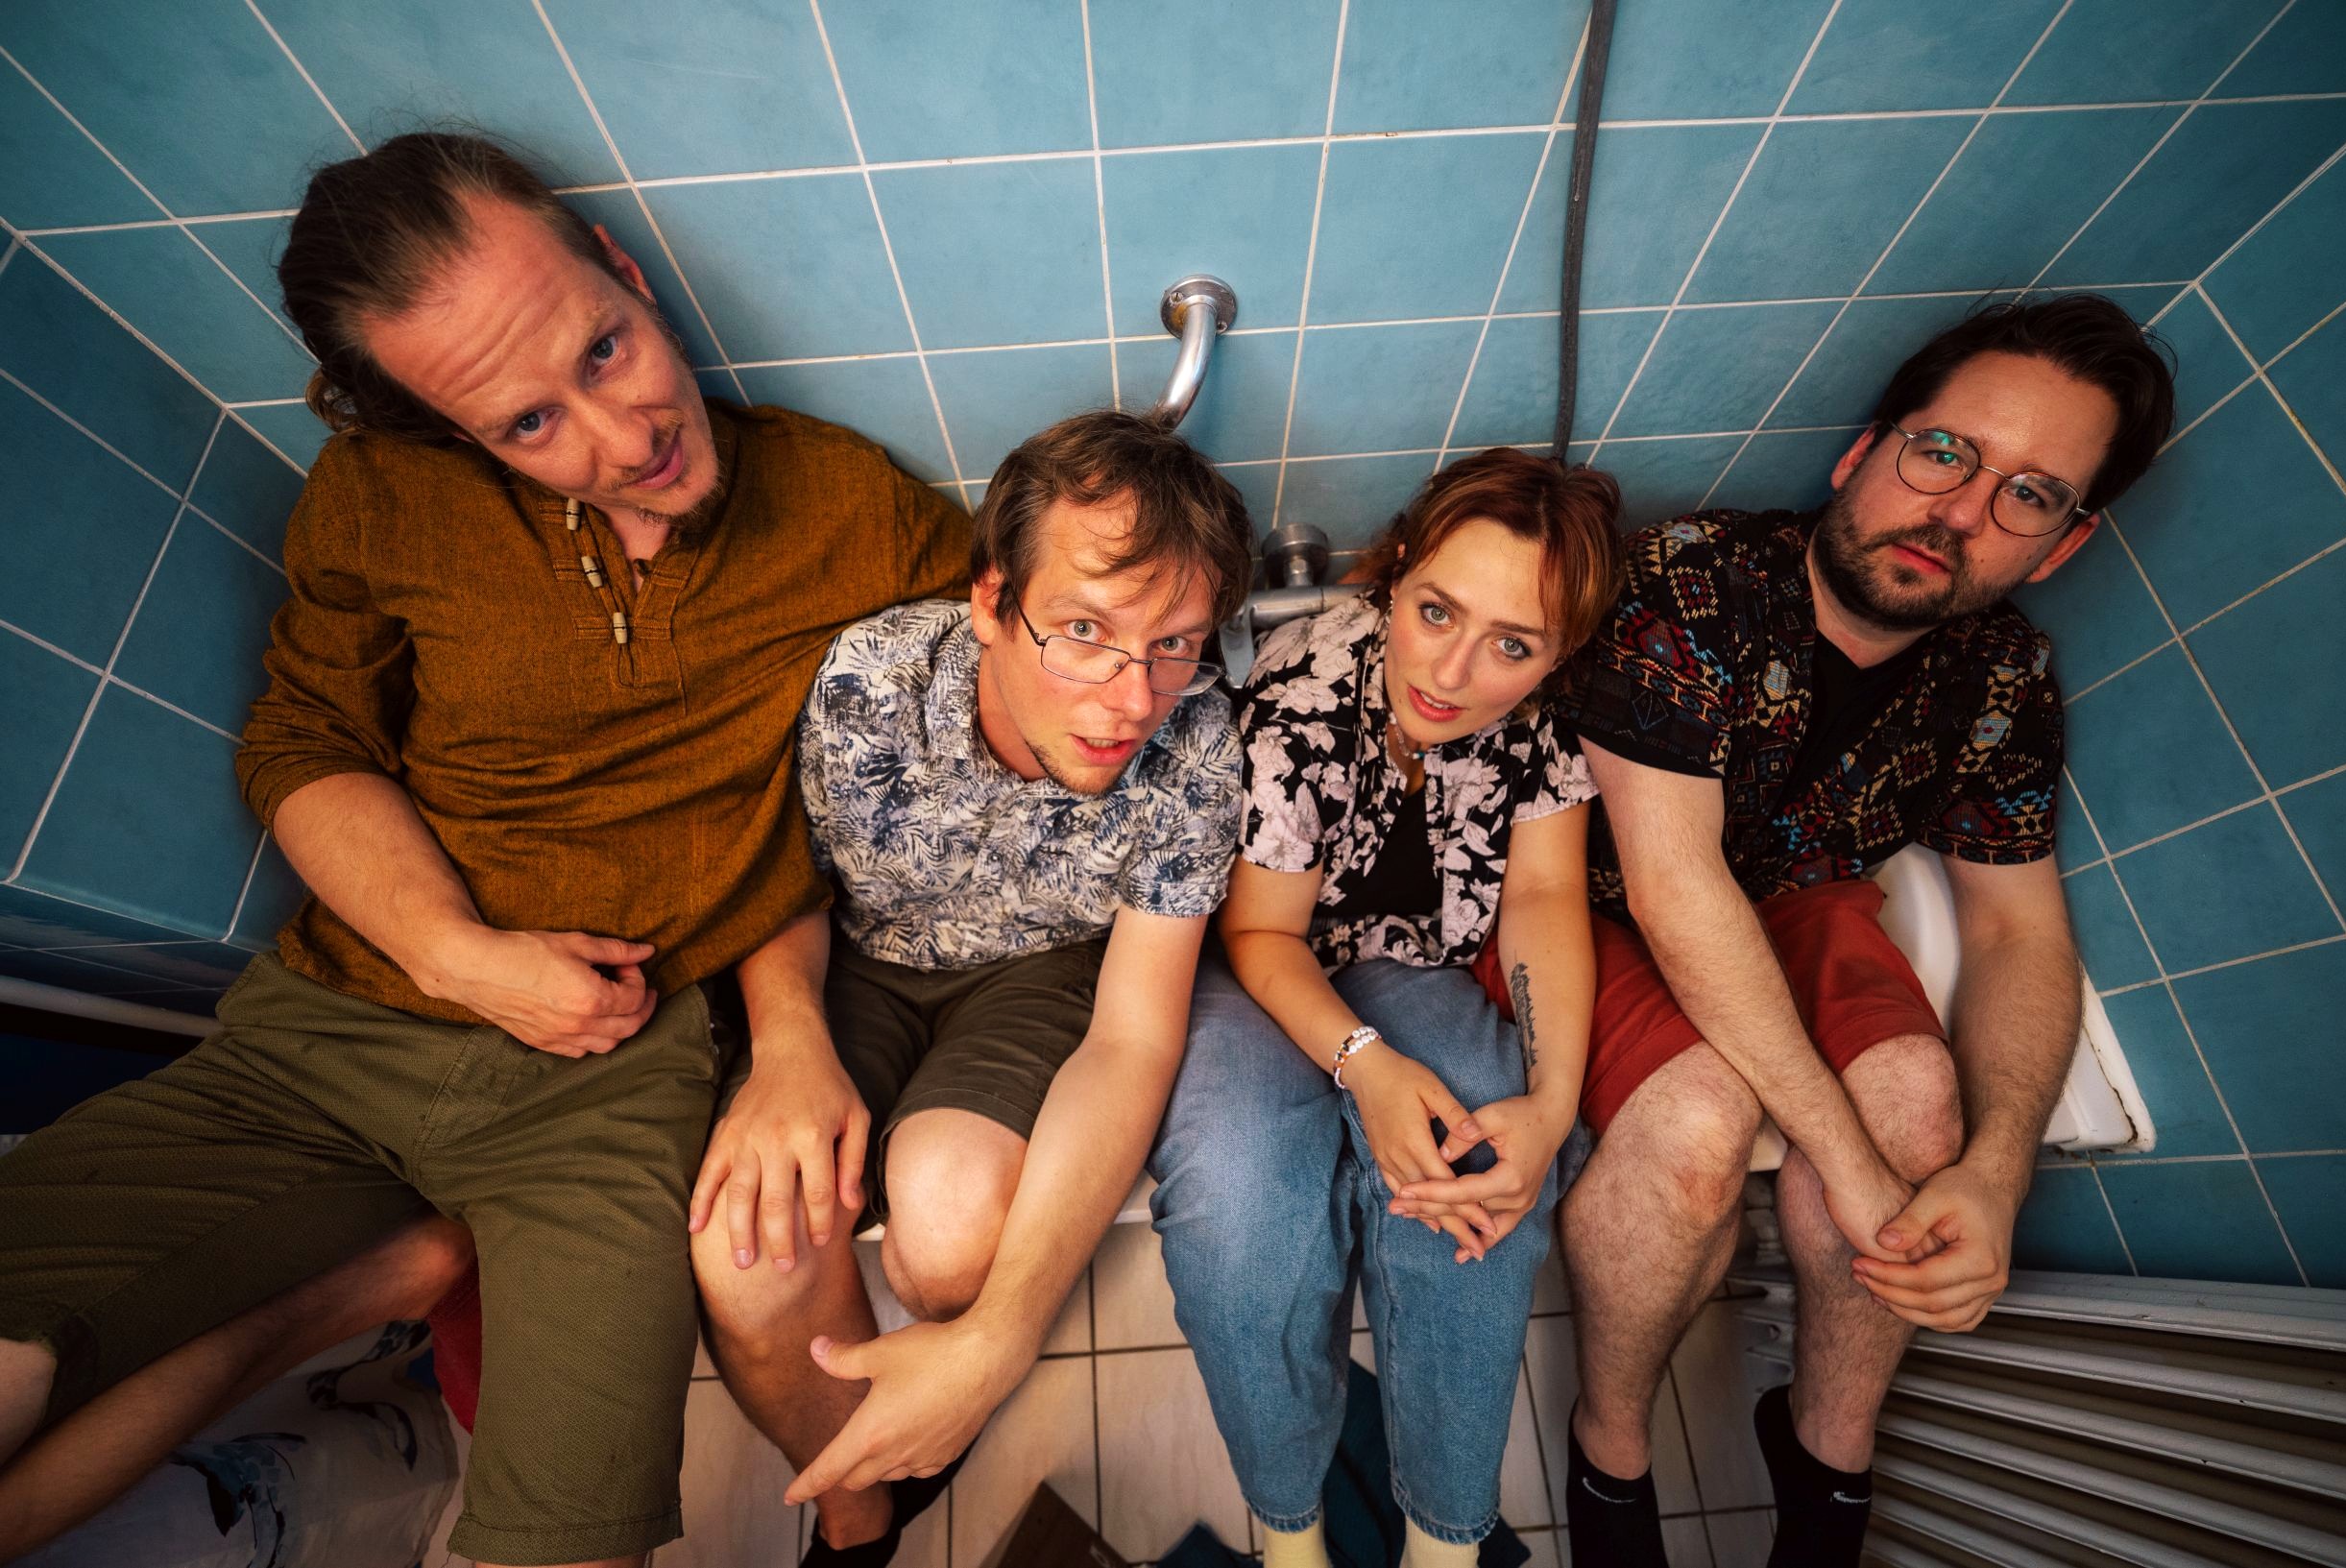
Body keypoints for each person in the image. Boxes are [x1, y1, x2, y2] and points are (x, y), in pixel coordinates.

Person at [0, 131, 970, 1568]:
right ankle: (393, 1264)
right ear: (454, 434)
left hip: (616, 1073)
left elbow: (1010, 679)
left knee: (560, 1538)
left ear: (627, 273)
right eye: (527, 425)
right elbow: (301, 744)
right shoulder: (377, 502)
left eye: (604, 347)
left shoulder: (848, 509)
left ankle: (846, 1515)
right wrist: (458, 955)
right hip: (327, 1033)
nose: (622, 434)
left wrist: (788, 1036)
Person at [1536, 295, 2176, 1568]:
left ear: (2061, 543)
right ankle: (1609, 1449)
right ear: (1861, 454)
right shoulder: (1693, 582)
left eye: (2028, 495)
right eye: (1944, 454)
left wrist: (1993, 1175)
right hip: (1601, 892)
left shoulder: (1998, 677)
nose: (1960, 513)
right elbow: (1672, 886)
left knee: (1924, 1108)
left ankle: (1827, 1463)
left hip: (1806, 894)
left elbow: (2015, 933)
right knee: (1698, 1130)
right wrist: (1849, 1163)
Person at [687, 410, 1252, 1565]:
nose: (1130, 699)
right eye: (1084, 632)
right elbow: (774, 882)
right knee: (748, 1254)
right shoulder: (870, 682)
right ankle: (857, 1520)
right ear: (992, 603)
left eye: (1174, 644)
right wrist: (787, 1047)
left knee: (945, 1243)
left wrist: (998, 1334)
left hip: (1035, 972)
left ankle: (937, 1390)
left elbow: (1135, 1036)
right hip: (851, 960)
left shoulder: (1196, 741)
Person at [1151, 449, 1625, 1568]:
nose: (1453, 671)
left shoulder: (1541, 721)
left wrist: (1552, 1104)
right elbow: (1259, 934)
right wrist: (1364, 1065)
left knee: (1481, 1172)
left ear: (1558, 654)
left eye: (1512, 644)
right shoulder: (1305, 690)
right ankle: (1289, 1526)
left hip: (1402, 966)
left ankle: (1444, 1541)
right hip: (1249, 967)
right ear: (1395, 567)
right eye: (1435, 611)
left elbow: (1547, 896)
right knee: (1239, 1205)